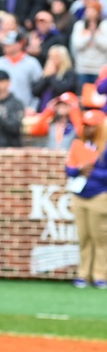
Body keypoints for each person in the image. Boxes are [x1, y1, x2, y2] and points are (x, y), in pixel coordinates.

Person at [65, 108, 107, 288]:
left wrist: (92, 171)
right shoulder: (78, 144)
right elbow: (68, 169)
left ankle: (99, 275)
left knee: (100, 238)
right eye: (85, 126)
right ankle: (83, 274)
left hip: (99, 195)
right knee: (83, 237)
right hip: (79, 196)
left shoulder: (104, 147)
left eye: (91, 126)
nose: (87, 130)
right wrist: (79, 170)